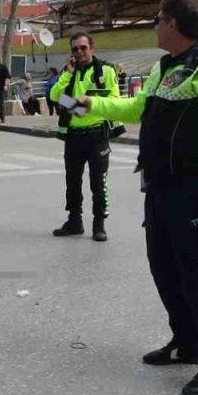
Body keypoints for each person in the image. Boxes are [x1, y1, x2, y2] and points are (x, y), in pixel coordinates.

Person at [77, 0, 198, 395]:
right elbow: (139, 109)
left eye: (157, 19)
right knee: (165, 268)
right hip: (160, 187)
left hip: (194, 191)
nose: (154, 25)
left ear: (172, 24)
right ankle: (185, 342)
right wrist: (93, 104)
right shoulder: (165, 68)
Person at [48, 32, 120, 242]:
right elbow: (54, 96)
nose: (79, 52)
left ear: (92, 48)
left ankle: (99, 224)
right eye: (75, 49)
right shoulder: (70, 72)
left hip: (97, 134)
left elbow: (114, 101)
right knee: (72, 181)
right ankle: (74, 221)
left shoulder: (105, 70)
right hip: (73, 136)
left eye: (83, 48)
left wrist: (78, 108)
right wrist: (68, 75)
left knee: (98, 182)